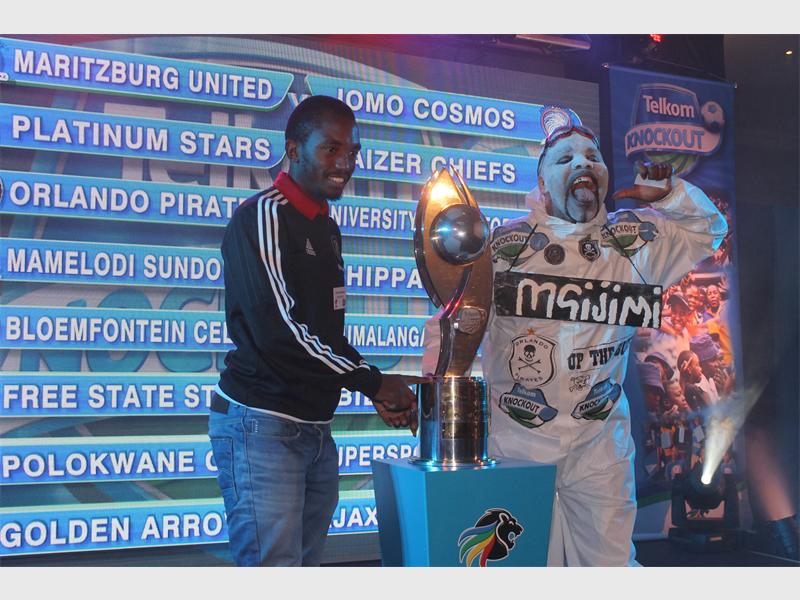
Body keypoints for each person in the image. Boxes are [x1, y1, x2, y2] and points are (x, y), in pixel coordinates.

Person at [424, 124, 727, 566]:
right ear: (542, 184)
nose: (583, 163)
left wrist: (668, 195)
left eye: (592, 157)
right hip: (518, 443)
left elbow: (709, 230)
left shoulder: (635, 242)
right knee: (525, 568)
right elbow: (453, 323)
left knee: (610, 569)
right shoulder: (503, 247)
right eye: (565, 159)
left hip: (599, 445)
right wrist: (435, 399)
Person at [209, 96, 425, 567]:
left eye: (352, 152)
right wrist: (372, 381)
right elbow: (279, 331)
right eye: (331, 148)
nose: (345, 163)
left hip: (314, 429)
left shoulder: (326, 228)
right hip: (263, 424)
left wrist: (372, 385)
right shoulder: (263, 216)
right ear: (293, 150)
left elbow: (325, 334)